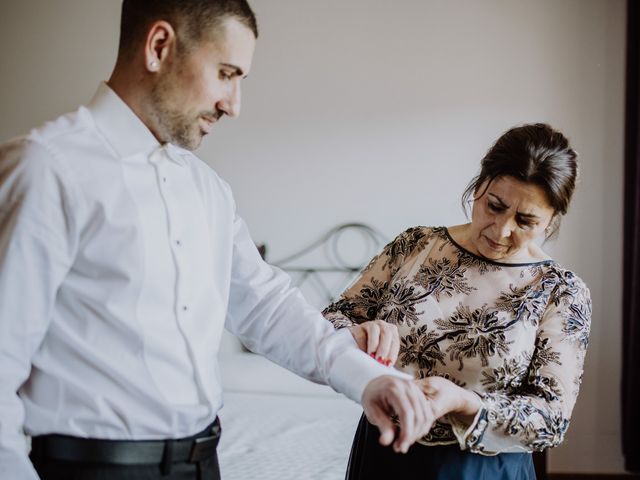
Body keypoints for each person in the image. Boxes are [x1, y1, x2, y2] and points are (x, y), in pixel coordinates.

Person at [0, 1, 434, 479]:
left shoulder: (206, 188)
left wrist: (369, 379)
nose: (233, 104)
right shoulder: (46, 169)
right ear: (159, 46)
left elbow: (265, 306)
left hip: (204, 465)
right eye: (226, 73)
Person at [324, 123, 592, 480]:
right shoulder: (415, 246)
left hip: (481, 468)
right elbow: (333, 319)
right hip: (382, 453)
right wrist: (360, 331)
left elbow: (551, 420)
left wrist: (466, 403)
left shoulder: (560, 292)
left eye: (525, 221)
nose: (501, 230)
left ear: (552, 219)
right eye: (494, 206)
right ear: (479, 184)